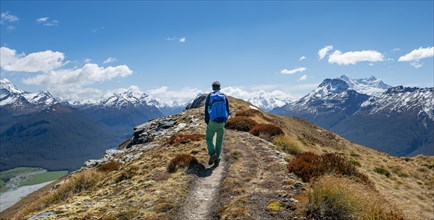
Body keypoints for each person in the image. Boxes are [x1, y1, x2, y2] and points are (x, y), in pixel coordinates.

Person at [204, 81, 230, 166]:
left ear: (212, 87)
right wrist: (224, 121)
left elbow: (206, 110)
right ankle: (217, 160)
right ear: (220, 87)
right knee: (219, 141)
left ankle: (212, 153)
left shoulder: (210, 96)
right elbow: (227, 110)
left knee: (209, 138)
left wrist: (207, 121)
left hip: (212, 122)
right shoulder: (224, 96)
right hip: (222, 122)